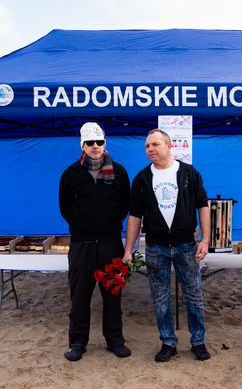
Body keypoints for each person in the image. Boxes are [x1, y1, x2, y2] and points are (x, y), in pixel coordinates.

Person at [123, 129, 211, 363]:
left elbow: (203, 206)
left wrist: (205, 240)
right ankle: (168, 342)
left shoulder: (189, 173)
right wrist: (128, 249)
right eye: (147, 146)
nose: (150, 149)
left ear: (169, 146)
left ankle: (198, 342)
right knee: (160, 297)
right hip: (155, 246)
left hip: (186, 244)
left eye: (155, 144)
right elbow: (135, 216)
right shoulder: (141, 178)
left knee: (194, 295)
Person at [59, 122, 131, 361]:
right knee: (80, 297)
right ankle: (78, 342)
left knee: (113, 295)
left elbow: (124, 205)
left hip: (111, 244)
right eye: (90, 143)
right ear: (82, 146)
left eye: (99, 142)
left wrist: (109, 223)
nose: (95, 146)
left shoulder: (118, 172)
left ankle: (115, 340)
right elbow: (65, 208)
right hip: (82, 245)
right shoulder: (70, 174)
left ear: (105, 144)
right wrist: (83, 226)